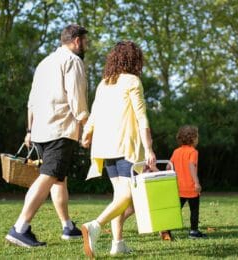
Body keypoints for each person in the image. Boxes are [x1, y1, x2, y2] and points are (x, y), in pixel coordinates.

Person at [5, 24, 89, 247]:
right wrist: (87, 125)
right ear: (77, 41)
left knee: (58, 179)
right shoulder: (73, 61)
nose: (86, 46)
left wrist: (30, 130)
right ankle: (20, 228)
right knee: (49, 176)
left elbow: (31, 100)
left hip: (41, 130)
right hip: (60, 129)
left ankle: (68, 227)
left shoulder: (44, 63)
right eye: (85, 41)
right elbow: (77, 99)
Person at [80, 41, 156, 258]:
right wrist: (149, 149)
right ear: (134, 60)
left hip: (104, 146)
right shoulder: (133, 81)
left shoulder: (105, 83)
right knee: (126, 194)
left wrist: (87, 133)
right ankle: (95, 226)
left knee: (119, 196)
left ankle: (118, 244)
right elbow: (142, 118)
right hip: (124, 144)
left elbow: (94, 113)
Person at [168, 125, 207, 239]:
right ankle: (193, 232)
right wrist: (197, 183)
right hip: (191, 188)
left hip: (178, 188)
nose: (198, 139)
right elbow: (191, 166)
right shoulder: (193, 152)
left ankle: (167, 229)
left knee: (175, 210)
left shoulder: (176, 151)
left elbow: (168, 166)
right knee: (194, 210)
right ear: (193, 138)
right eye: (197, 137)